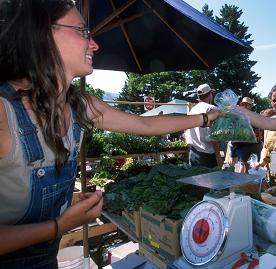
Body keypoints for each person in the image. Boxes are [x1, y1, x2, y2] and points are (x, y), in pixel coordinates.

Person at [0, 1, 220, 267]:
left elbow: (146, 126)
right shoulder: (4, 112)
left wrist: (206, 117)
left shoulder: (81, 104)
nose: (94, 45)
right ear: (43, 34)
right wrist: (60, 225)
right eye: (83, 32)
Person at [186, 83, 223, 168]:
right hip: (207, 155)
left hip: (193, 153)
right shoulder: (211, 109)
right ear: (210, 95)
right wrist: (218, 157)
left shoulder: (192, 110)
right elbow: (214, 135)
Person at [230, 97, 263, 173]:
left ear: (250, 106)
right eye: (244, 104)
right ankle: (242, 182)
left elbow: (258, 133)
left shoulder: (254, 116)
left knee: (252, 166)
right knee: (243, 164)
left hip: (253, 145)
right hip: (241, 145)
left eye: (248, 104)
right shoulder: (236, 116)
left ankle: (248, 182)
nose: (245, 106)